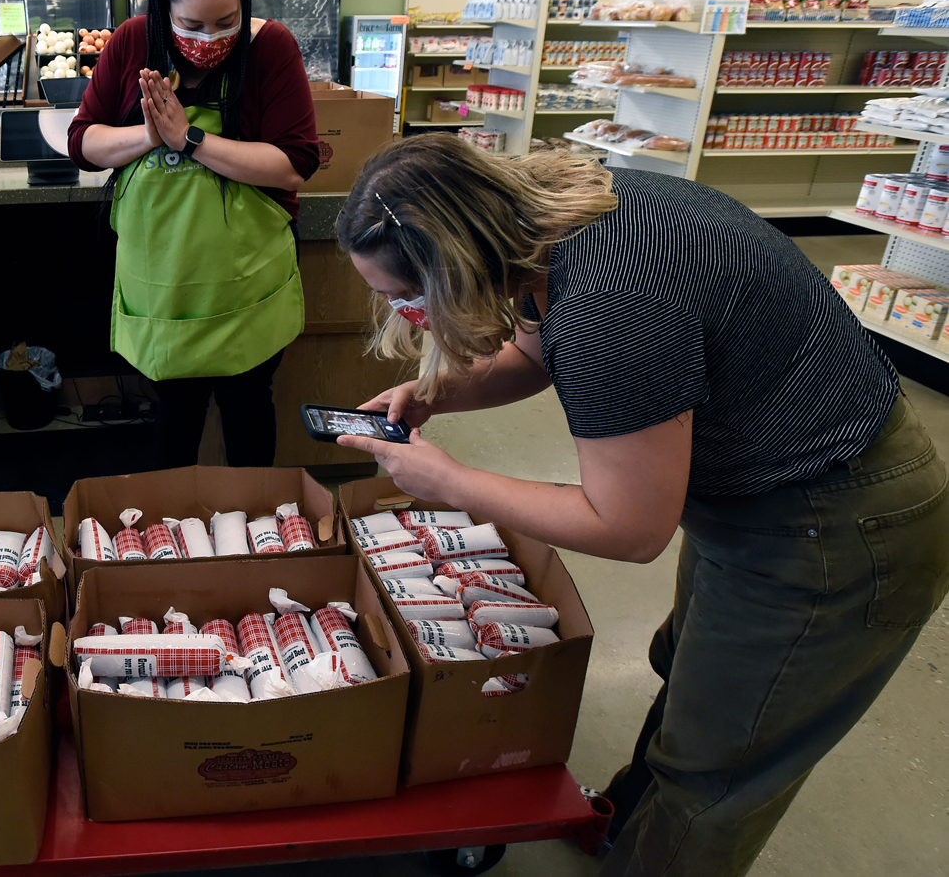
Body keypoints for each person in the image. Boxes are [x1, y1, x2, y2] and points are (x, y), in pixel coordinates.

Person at [332, 133, 949, 877]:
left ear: (462, 264)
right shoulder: (556, 215)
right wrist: (436, 392)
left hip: (836, 522)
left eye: (406, 295)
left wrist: (451, 484)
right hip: (763, 485)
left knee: (717, 770)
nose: (398, 311)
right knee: (690, 675)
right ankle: (625, 827)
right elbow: (533, 349)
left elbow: (627, 527)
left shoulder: (613, 308)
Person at [68, 0, 319, 468]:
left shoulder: (270, 47)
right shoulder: (133, 41)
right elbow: (83, 143)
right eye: (191, 24)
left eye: (227, 22)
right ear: (163, 8)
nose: (210, 38)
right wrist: (149, 135)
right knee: (173, 410)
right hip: (163, 285)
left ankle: (258, 532)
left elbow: (294, 164)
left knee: (248, 405)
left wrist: (192, 140)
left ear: (245, 5)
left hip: (247, 282)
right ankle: (172, 541)